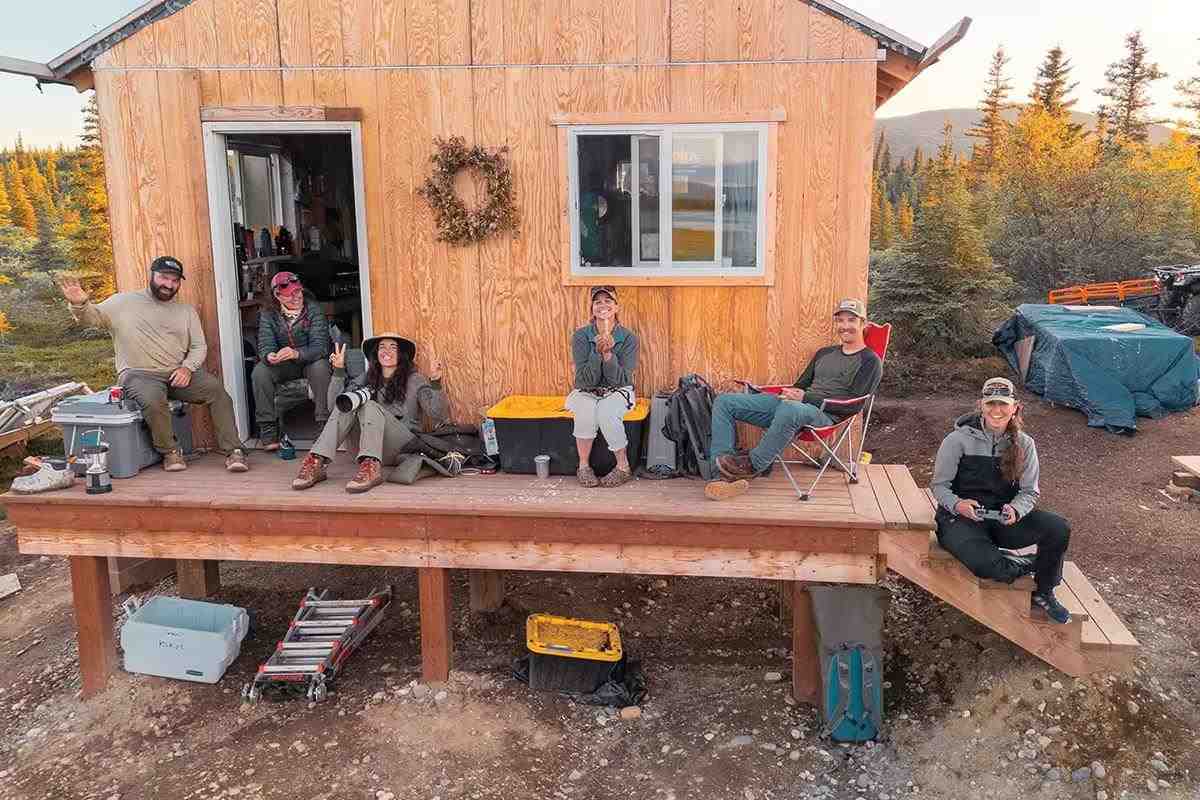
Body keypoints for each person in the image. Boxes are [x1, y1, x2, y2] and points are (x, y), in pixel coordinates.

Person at [58, 257, 249, 473]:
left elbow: (199, 346)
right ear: (152, 275)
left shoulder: (186, 311)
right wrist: (79, 304)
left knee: (217, 391)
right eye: (164, 277)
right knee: (152, 399)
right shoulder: (122, 302)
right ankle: (170, 452)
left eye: (175, 280)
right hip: (138, 374)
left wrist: (187, 368)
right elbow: (91, 319)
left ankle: (234, 451)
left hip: (177, 373)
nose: (169, 284)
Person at [705, 298, 881, 501]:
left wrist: (806, 397)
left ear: (863, 324)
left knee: (791, 409)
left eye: (851, 320)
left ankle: (752, 465)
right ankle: (720, 474)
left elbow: (854, 404)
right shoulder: (824, 353)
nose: (845, 326)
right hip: (793, 406)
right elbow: (800, 385)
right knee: (725, 401)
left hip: (824, 416)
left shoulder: (870, 361)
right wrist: (767, 392)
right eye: (840, 321)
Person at [930, 377, 1073, 623]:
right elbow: (939, 486)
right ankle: (1028, 562)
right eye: (991, 404)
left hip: (1001, 520)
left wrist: (1016, 510)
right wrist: (958, 504)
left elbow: (1030, 491)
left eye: (1003, 404)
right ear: (981, 405)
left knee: (1058, 528)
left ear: (1015, 406)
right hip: (960, 520)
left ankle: (1044, 591)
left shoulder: (1025, 444)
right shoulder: (956, 440)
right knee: (990, 568)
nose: (997, 410)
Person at [292, 333, 448, 494]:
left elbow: (438, 414)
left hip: (401, 446)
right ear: (376, 353)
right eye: (382, 347)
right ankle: (317, 461)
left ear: (402, 354)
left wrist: (435, 383)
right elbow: (334, 406)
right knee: (346, 402)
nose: (387, 351)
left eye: (393, 347)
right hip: (363, 448)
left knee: (369, 406)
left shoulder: (415, 380)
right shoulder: (365, 378)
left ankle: (372, 469)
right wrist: (338, 372)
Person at [566, 286, 640, 488]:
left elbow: (622, 380)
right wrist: (596, 353)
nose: (603, 305)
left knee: (607, 412)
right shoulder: (581, 336)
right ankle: (583, 466)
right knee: (585, 410)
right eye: (597, 302)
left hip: (618, 390)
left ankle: (623, 466)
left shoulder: (628, 338)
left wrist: (608, 356)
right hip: (587, 390)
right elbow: (583, 381)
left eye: (608, 301)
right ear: (592, 309)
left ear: (616, 307)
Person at [251, 271, 333, 449]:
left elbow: (321, 347)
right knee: (260, 372)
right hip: (285, 364)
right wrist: (269, 356)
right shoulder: (268, 314)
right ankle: (268, 429)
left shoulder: (313, 309)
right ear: (277, 296)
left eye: (298, 292)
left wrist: (296, 353)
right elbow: (265, 344)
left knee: (321, 367)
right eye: (290, 295)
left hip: (310, 360)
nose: (297, 297)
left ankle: (323, 424)